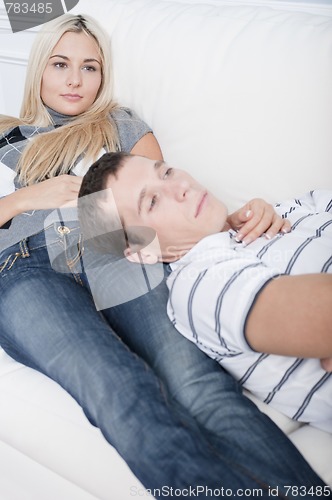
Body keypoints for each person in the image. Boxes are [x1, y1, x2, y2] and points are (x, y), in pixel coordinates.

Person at [0, 13, 329, 497]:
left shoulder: (120, 122)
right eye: (60, 64)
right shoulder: (8, 133)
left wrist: (236, 217)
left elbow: (165, 193)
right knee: (119, 389)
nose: (75, 79)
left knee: (198, 387)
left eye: (90, 67)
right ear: (38, 71)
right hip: (23, 263)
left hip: (113, 251)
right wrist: (28, 198)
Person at [78, 152, 332, 434]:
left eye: (167, 173)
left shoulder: (277, 211)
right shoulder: (199, 285)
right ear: (142, 251)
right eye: (152, 201)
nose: (180, 187)